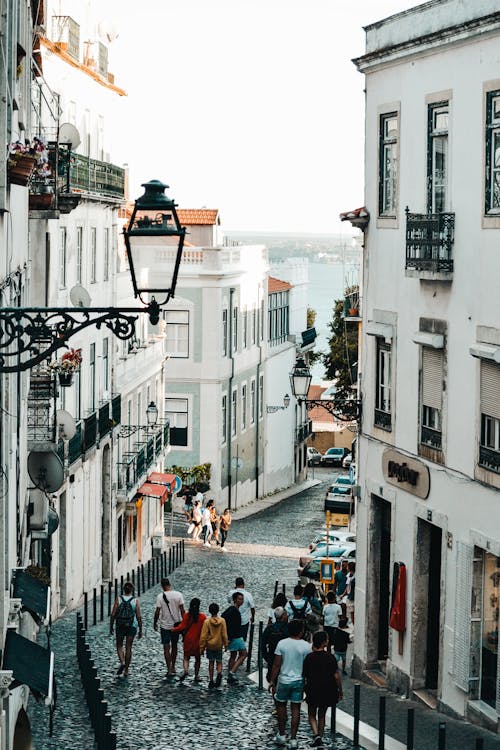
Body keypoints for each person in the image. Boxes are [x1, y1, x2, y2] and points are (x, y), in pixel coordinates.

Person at [268, 618, 311, 749]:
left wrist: (272, 680)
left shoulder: (282, 644)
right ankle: (293, 738)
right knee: (296, 709)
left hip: (284, 680)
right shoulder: (306, 646)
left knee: (281, 707)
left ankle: (281, 735)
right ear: (301, 631)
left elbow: (276, 664)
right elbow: (307, 667)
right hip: (298, 680)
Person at [303, 630, 343, 747]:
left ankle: (316, 735)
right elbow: (336, 676)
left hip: (313, 688)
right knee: (322, 714)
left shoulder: (309, 657)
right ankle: (320, 736)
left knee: (311, 714)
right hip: (327, 689)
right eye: (327, 639)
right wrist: (340, 690)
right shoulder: (330, 657)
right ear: (324, 643)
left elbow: (305, 675)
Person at [153, 577, 185, 678]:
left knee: (166, 647)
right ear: (169, 584)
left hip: (165, 625)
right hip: (176, 624)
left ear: (162, 586)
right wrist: (184, 623)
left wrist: (155, 622)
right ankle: (174, 666)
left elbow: (157, 611)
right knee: (174, 646)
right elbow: (182, 610)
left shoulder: (160, 596)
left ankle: (169, 668)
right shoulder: (178, 595)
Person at [109, 581, 142, 677]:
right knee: (128, 647)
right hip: (132, 626)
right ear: (132, 590)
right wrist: (140, 629)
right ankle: (126, 670)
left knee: (119, 645)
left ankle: (122, 662)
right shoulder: (135, 600)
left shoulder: (118, 599)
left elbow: (113, 613)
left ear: (123, 589)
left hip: (120, 625)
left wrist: (111, 626)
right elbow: (139, 616)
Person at [172, 597, 206, 682]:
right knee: (197, 659)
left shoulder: (187, 615)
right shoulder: (202, 617)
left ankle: (186, 670)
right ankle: (197, 675)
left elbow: (182, 626)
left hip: (188, 639)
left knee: (186, 657)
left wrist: (173, 629)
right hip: (198, 640)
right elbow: (205, 629)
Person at [199, 602, 229, 689]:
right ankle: (219, 673)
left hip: (210, 645)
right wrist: (226, 644)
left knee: (211, 663)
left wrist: (201, 647)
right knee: (219, 661)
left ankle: (211, 680)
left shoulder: (207, 622)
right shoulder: (222, 621)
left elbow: (203, 636)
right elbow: (224, 634)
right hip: (219, 644)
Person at [222, 591, 248, 684]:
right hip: (236, 637)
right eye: (240, 599)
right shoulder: (234, 611)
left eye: (242, 599)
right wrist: (229, 637)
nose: (241, 601)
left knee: (233, 655)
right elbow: (231, 625)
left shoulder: (231, 610)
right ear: (235, 600)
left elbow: (223, 618)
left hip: (232, 636)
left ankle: (231, 673)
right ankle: (232, 672)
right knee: (244, 654)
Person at [262, 606, 289, 682]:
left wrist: (266, 657)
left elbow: (263, 644)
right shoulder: (288, 628)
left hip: (272, 657)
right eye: (286, 614)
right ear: (283, 616)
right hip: (285, 659)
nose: (287, 616)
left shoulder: (269, 628)